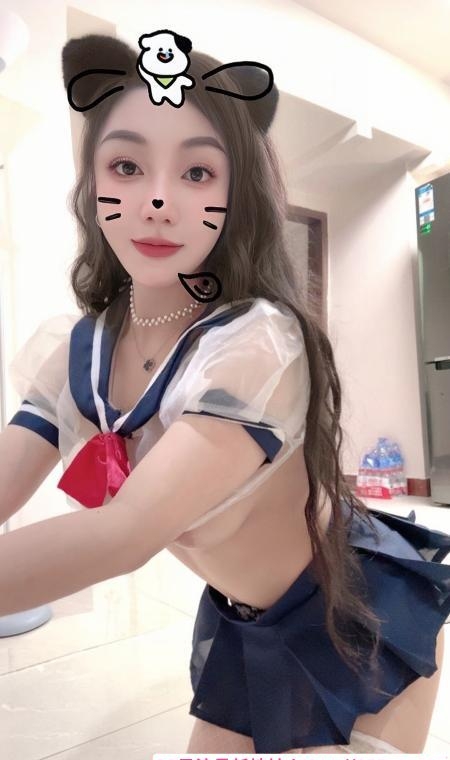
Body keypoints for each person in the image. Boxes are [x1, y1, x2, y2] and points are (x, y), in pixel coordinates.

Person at [0, 32, 449, 755]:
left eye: (198, 173)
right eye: (126, 165)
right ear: (92, 185)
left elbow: (124, 534)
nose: (156, 201)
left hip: (354, 613)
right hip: (244, 623)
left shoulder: (255, 344)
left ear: (237, 196)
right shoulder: (77, 349)